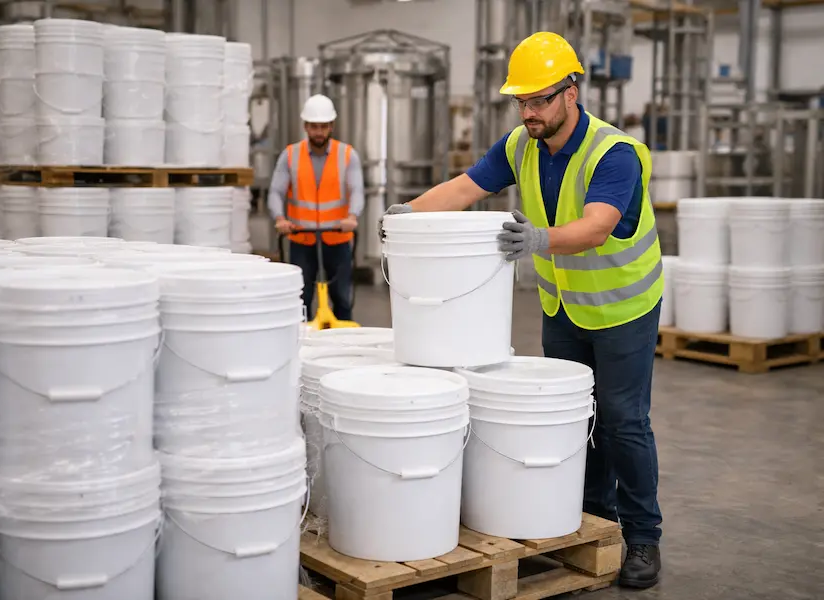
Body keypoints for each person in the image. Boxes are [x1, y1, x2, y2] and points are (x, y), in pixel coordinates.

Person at [380, 32, 664, 589]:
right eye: (521, 101)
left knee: (622, 422)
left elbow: (597, 226)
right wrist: (406, 214)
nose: (528, 111)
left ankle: (644, 538)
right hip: (564, 307)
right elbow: (465, 188)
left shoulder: (615, 154)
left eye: (538, 99)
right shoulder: (521, 145)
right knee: (577, 418)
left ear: (570, 93)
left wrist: (537, 241)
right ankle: (592, 521)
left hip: (624, 307)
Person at [268, 94, 364, 321]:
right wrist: (280, 219)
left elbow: (357, 190)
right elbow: (275, 191)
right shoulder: (290, 155)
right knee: (302, 298)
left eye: (323, 126)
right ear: (305, 126)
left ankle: (345, 347)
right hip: (302, 239)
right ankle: (304, 347)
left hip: (337, 238)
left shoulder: (347, 155)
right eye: (313, 126)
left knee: (342, 298)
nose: (318, 132)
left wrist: (352, 216)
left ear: (331, 126)